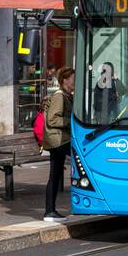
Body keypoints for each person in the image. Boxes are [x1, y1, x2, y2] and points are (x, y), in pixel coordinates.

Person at [42, 67, 75, 221]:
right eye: (73, 79)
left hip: (59, 139)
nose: (75, 81)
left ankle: (50, 211)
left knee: (54, 175)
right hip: (59, 139)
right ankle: (49, 211)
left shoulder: (67, 96)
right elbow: (52, 119)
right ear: (65, 80)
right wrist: (72, 122)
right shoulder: (59, 97)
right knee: (80, 155)